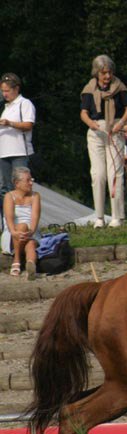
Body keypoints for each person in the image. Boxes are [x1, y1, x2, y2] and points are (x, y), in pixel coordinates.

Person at [80, 54, 127, 228]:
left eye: (109, 72)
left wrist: (121, 123)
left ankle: (117, 217)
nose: (107, 76)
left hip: (115, 129)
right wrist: (91, 124)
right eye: (104, 73)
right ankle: (99, 217)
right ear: (97, 73)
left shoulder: (119, 87)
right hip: (96, 131)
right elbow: (83, 113)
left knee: (115, 174)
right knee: (98, 175)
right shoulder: (89, 88)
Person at [0, 73, 36, 202]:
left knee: (21, 186)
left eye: (7, 91)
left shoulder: (24, 103)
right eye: (3, 91)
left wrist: (10, 123)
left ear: (16, 89)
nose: (4, 94)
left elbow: (28, 125)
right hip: (3, 152)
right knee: (5, 188)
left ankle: (23, 213)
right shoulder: (6, 107)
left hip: (19, 152)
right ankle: (6, 214)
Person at [1, 167, 41, 280]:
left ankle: (30, 265)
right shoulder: (9, 196)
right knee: (22, 226)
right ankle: (17, 258)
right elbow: (9, 220)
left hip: (31, 232)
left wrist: (30, 232)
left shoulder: (35, 196)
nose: (31, 183)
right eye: (28, 180)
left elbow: (35, 218)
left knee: (31, 243)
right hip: (12, 233)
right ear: (17, 183)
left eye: (31, 179)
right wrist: (14, 232)